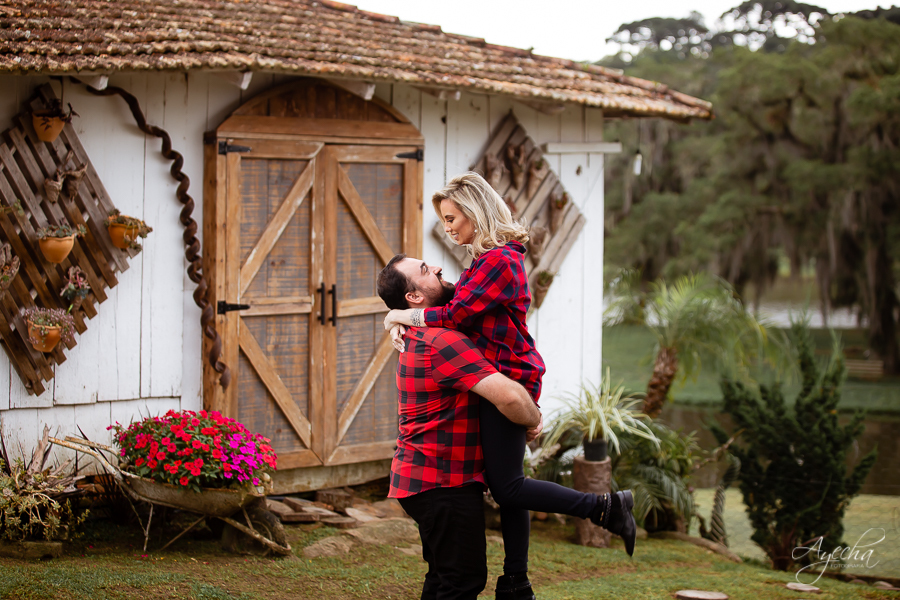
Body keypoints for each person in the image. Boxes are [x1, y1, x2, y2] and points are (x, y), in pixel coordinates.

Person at [380, 188, 636, 600]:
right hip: (492, 394)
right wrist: (400, 317)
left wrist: (400, 314)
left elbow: (456, 313)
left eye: (450, 218)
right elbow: (456, 311)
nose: (446, 231)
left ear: (475, 212)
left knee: (508, 487)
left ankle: (602, 509)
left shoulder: (499, 259)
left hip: (511, 376)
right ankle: (517, 579)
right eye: (444, 220)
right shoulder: (483, 264)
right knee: (507, 487)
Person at [377, 255, 542, 600]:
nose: (436, 267)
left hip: (428, 480)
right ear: (415, 298)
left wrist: (396, 317)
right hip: (441, 483)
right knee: (461, 581)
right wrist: (533, 419)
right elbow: (511, 398)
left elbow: (462, 310)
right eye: (424, 271)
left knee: (444, 579)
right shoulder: (441, 341)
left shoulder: (433, 331)